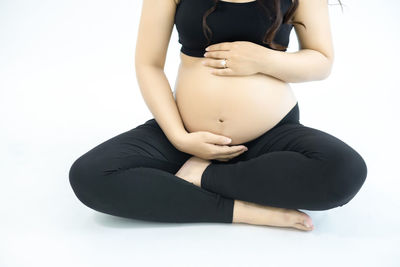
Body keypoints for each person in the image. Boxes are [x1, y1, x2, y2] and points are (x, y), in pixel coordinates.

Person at [69, 0, 367, 232]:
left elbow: (321, 60)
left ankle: (203, 177)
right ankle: (242, 210)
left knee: (344, 171)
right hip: (185, 132)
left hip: (269, 133)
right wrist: (179, 137)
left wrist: (262, 59)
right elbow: (148, 64)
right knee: (89, 175)